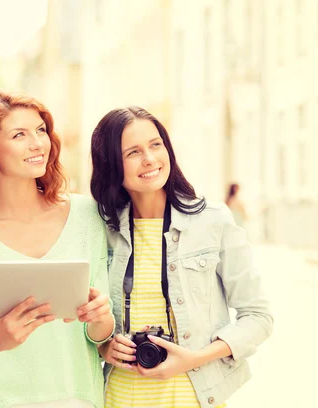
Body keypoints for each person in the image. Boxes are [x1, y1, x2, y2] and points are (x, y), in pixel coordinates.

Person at [0, 90, 114, 408]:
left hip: (79, 399)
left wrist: (102, 318)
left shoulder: (88, 216)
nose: (37, 143)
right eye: (19, 134)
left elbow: (99, 337)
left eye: (41, 130)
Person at [89, 107, 273, 408]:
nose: (149, 159)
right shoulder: (100, 229)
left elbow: (258, 318)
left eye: (155, 144)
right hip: (117, 398)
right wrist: (105, 346)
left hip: (193, 398)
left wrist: (194, 358)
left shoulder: (213, 222)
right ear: (111, 164)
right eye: (133, 152)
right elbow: (80, 319)